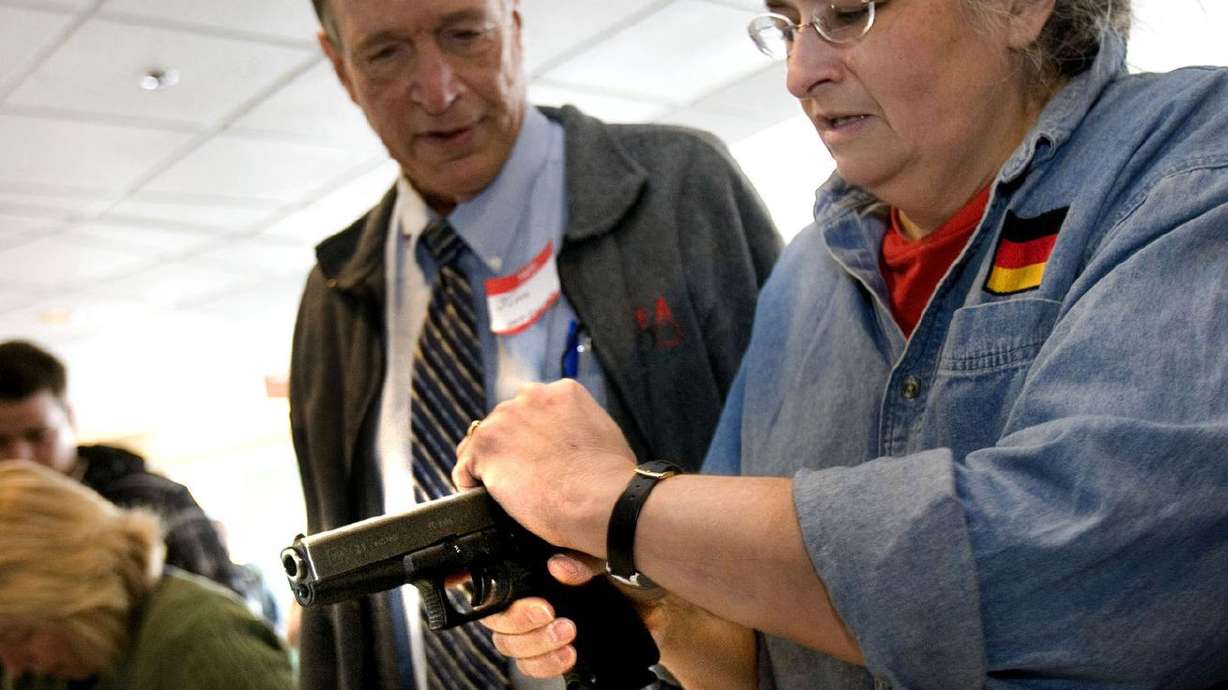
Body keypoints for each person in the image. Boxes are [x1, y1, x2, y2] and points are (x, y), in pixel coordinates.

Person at [452, 0, 1228, 687]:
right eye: (788, 24)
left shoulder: (1193, 165)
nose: (799, 71)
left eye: (849, 12)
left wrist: (608, 502)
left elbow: (1067, 578)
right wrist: (649, 598)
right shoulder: (803, 275)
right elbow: (745, 651)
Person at [290, 0, 781, 688]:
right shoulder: (334, 293)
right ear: (341, 68)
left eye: (465, 34)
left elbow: (795, 490)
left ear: (513, 24)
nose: (438, 89)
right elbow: (339, 608)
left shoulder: (679, 191)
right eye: (386, 54)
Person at [0, 460, 296, 690]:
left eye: (21, 636)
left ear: (72, 591)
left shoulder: (202, 640)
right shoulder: (56, 668)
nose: (13, 665)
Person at [0, 340, 241, 595]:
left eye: (38, 436)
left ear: (69, 418)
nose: (19, 457)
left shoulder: (154, 500)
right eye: (0, 441)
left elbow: (222, 608)